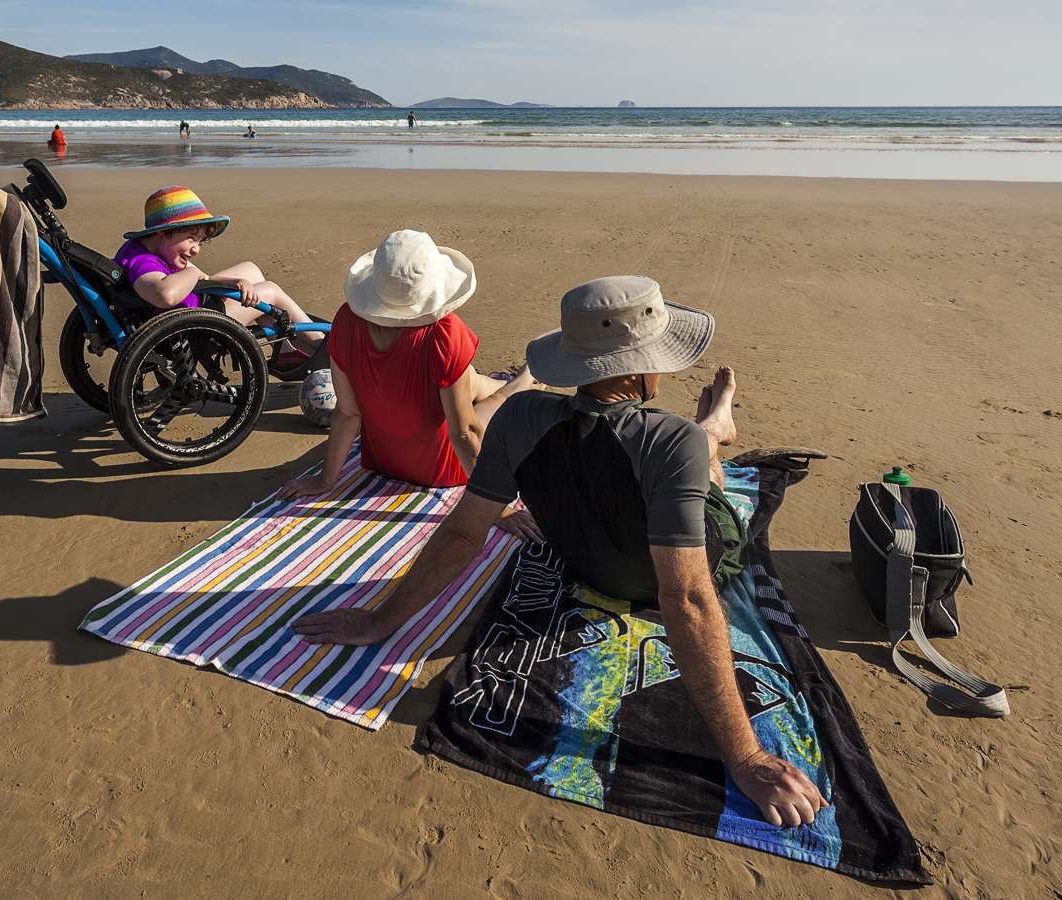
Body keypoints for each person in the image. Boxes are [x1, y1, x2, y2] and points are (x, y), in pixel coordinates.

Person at [291, 275, 829, 829]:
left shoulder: (520, 417)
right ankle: (716, 427)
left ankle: (714, 427)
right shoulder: (671, 440)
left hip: (584, 563)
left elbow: (461, 535)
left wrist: (380, 621)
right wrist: (746, 756)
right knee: (706, 473)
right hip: (668, 563)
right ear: (640, 369)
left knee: (685, 460)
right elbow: (687, 597)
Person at [277, 231, 540, 536]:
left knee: (469, 380)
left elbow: (347, 413)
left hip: (384, 459)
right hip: (442, 468)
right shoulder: (444, 333)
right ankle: (528, 376)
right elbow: (463, 432)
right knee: (496, 401)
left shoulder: (346, 321)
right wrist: (499, 510)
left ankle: (504, 380)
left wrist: (326, 481)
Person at [112, 186, 324, 365]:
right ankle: (320, 345)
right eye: (191, 238)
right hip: (196, 326)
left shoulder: (151, 249)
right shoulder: (142, 261)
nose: (196, 249)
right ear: (162, 232)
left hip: (195, 308)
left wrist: (235, 282)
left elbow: (203, 278)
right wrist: (192, 272)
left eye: (200, 242)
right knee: (270, 291)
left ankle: (284, 348)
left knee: (249, 270)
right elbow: (164, 296)